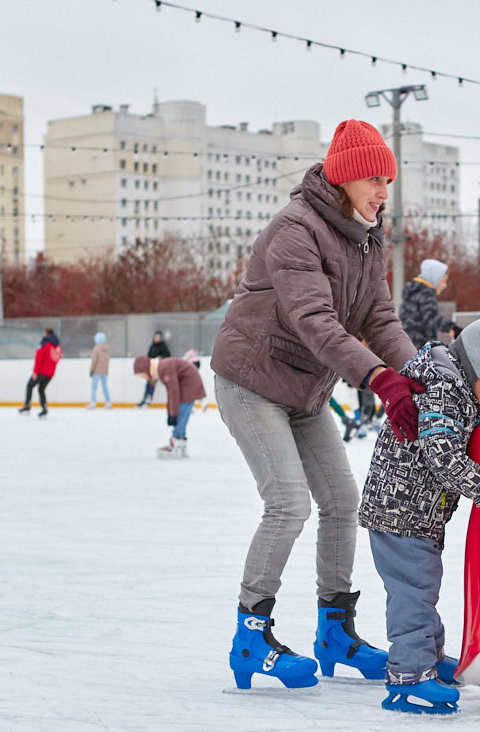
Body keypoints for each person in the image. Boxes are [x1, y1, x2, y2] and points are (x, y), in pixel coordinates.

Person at [211, 119, 422, 691]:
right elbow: (314, 321)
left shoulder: (366, 235)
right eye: (376, 179)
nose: (384, 191)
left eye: (389, 180)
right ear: (348, 178)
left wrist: (419, 377)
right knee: (288, 504)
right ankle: (251, 635)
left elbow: (380, 319)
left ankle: (335, 630)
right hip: (252, 381)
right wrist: (380, 378)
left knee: (341, 501)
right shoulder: (294, 229)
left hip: (305, 391)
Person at [360, 316, 480, 714]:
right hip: (400, 513)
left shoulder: (457, 389)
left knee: (423, 587)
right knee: (414, 592)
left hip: (417, 514)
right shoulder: (443, 389)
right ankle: (409, 678)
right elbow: (441, 455)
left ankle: (429, 659)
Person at [133, 354, 205, 458]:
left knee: (181, 415)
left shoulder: (163, 368)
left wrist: (173, 415)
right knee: (181, 414)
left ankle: (176, 441)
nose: (145, 378)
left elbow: (173, 392)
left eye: (143, 375)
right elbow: (171, 392)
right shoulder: (161, 368)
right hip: (188, 383)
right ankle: (180, 441)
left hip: (189, 384)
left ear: (147, 368)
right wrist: (171, 413)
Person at [399, 258, 458, 349]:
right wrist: (452, 328)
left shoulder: (414, 293)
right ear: (435, 278)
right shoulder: (426, 294)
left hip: (408, 344)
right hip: (419, 345)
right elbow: (432, 318)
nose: (445, 286)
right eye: (443, 281)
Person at [18, 328, 62, 418]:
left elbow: (39, 358)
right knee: (41, 389)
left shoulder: (44, 344)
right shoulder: (58, 347)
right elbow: (57, 358)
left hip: (41, 371)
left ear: (46, 334)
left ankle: (27, 405)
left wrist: (35, 371)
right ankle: (44, 408)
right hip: (50, 373)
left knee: (29, 386)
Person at [138, 332, 171, 407]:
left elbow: (167, 355)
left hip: (159, 367)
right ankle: (145, 399)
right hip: (151, 367)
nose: (157, 338)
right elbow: (148, 356)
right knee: (148, 383)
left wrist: (160, 358)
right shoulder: (152, 346)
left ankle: (148, 399)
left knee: (152, 383)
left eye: (158, 337)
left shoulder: (163, 346)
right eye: (156, 337)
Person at [87, 332, 111, 409]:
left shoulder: (96, 349)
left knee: (94, 387)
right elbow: (107, 360)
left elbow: (94, 361)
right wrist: (106, 370)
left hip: (96, 371)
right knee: (105, 387)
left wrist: (91, 370)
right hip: (105, 371)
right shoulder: (107, 349)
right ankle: (108, 402)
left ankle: (93, 402)